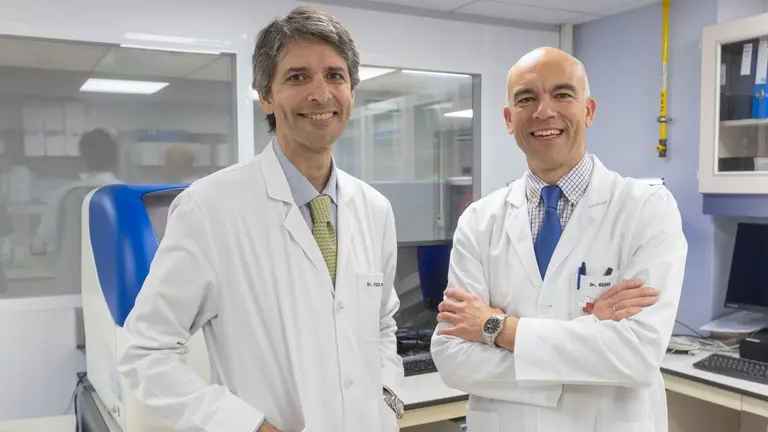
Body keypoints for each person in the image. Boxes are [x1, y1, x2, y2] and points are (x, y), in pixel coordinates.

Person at [117, 6, 405, 432]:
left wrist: (387, 393)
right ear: (266, 96)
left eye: (335, 75)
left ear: (351, 92)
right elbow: (145, 352)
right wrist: (246, 426)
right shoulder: (210, 208)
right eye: (297, 76)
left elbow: (381, 324)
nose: (320, 93)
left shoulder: (374, 209)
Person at [430, 46, 687, 432]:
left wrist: (497, 330)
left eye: (562, 94)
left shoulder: (646, 208)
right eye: (526, 98)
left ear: (589, 110)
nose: (543, 111)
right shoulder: (479, 221)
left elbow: (636, 355)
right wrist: (586, 350)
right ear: (508, 118)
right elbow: (452, 358)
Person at [33, 127, 120, 254]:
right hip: (119, 273)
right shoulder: (132, 197)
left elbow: (43, 244)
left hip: (72, 273)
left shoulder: (61, 195)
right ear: (115, 158)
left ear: (83, 159)